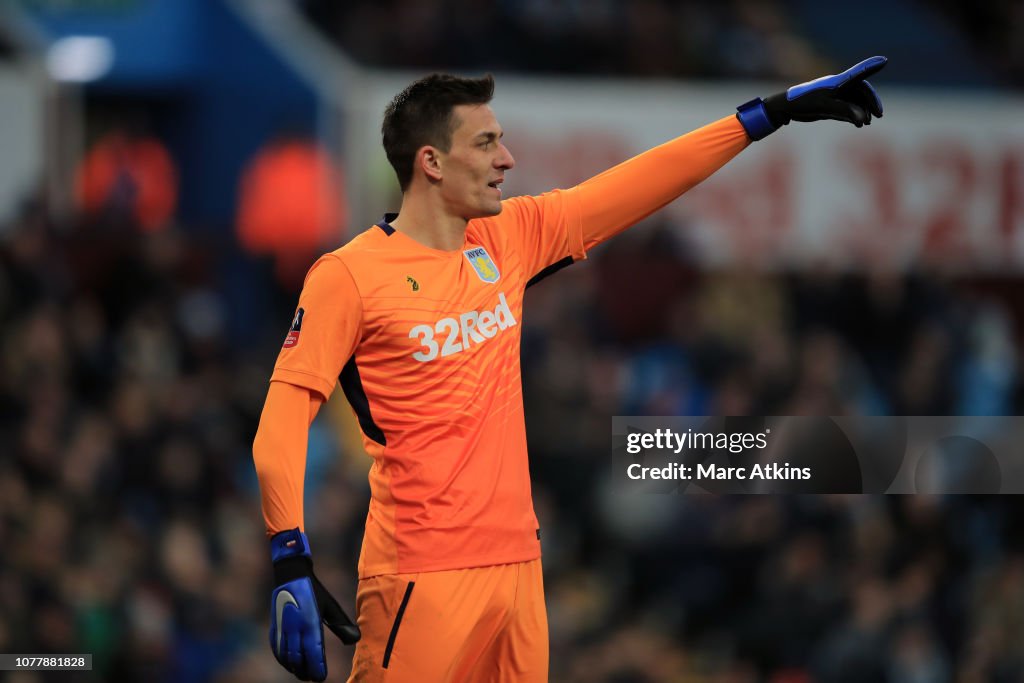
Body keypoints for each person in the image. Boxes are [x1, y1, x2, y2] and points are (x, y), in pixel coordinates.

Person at [252, 57, 887, 683]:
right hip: (422, 574)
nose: (508, 159)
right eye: (488, 143)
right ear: (432, 162)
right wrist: (289, 557)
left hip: (520, 569)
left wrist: (765, 116)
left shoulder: (507, 241)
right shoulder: (348, 276)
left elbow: (637, 185)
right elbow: (280, 426)